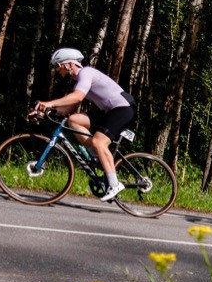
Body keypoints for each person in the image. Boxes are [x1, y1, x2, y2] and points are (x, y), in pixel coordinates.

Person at [30, 49, 137, 202]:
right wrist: (46, 111)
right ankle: (95, 153)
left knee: (99, 141)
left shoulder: (85, 72)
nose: (57, 69)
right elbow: (68, 109)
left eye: (58, 66)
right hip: (110, 111)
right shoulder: (79, 81)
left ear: (67, 64)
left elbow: (77, 96)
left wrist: (49, 102)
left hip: (123, 108)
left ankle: (114, 184)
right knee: (73, 120)